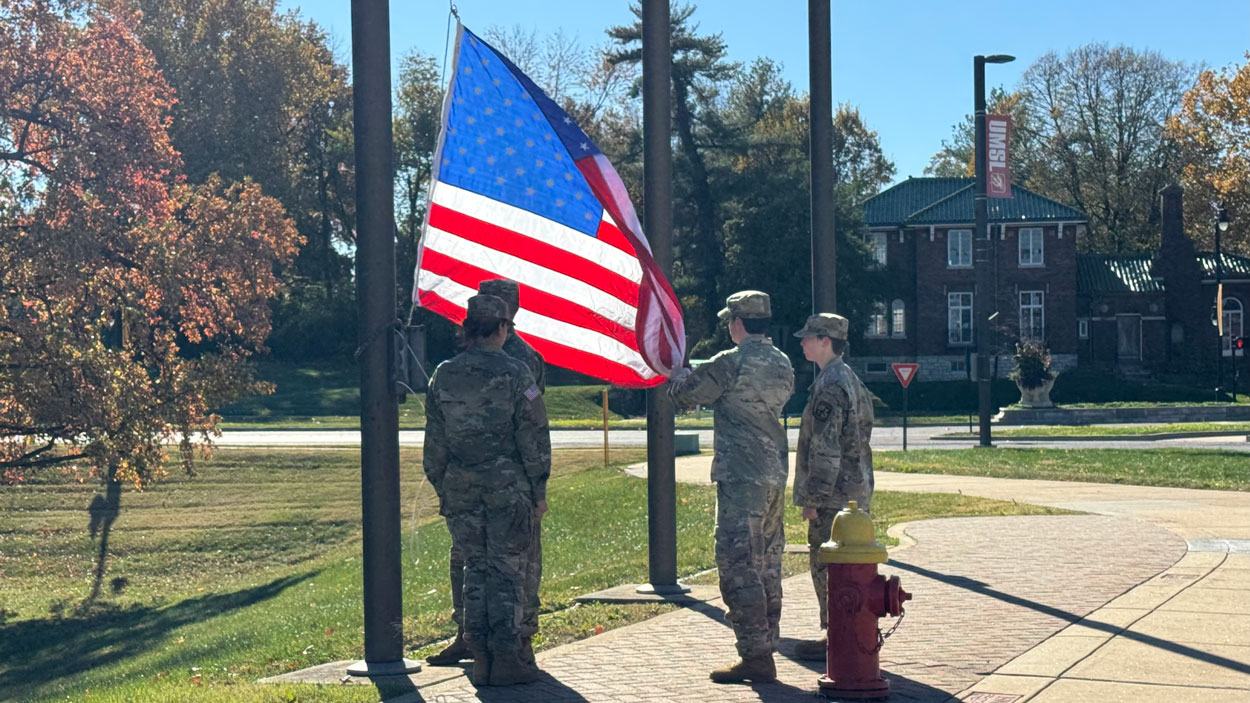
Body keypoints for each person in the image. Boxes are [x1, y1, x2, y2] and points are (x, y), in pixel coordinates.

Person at [423, 294, 551, 686]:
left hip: (461, 486)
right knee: (508, 570)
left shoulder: (443, 374)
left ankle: (479, 657)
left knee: (474, 568)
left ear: (467, 329)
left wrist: (443, 486)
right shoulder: (516, 373)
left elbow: (435, 443)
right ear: (501, 328)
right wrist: (538, 487)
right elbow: (534, 437)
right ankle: (507, 657)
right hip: (507, 487)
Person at [668, 290, 794, 684]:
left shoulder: (730, 362)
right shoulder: (782, 362)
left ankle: (755, 655)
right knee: (768, 564)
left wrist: (679, 375)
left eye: (729, 321)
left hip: (741, 476)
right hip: (774, 473)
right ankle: (767, 641)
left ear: (738, 322)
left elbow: (684, 397)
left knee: (738, 565)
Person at [790, 313, 875, 661]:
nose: (802, 342)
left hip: (835, 498)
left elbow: (826, 450)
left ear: (826, 341)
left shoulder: (830, 385)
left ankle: (837, 635)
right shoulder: (849, 379)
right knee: (850, 568)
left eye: (809, 337)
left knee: (828, 566)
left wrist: (813, 498)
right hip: (854, 493)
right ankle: (847, 633)